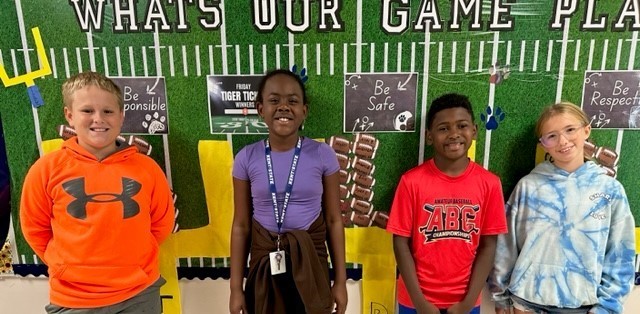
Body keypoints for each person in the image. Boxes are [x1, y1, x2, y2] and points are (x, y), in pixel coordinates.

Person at [20, 71, 175, 313]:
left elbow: (161, 223)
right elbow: (34, 228)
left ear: (122, 117)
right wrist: (65, 267)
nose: (98, 119)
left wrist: (134, 263)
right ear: (69, 116)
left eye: (108, 111)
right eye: (87, 111)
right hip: (74, 298)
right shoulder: (46, 170)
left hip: (140, 294)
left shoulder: (147, 169)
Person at [488, 102, 636, 314]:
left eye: (570, 130)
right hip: (526, 303)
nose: (563, 141)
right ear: (543, 144)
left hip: (583, 306)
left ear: (586, 130)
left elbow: (620, 254)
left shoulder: (610, 190)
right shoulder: (528, 187)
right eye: (552, 136)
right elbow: (506, 245)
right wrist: (500, 295)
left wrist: (608, 307)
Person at [229, 69, 348, 314]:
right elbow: (241, 225)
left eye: (292, 101)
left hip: (312, 260)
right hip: (264, 262)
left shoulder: (323, 154)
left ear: (304, 111)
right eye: (274, 100)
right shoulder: (245, 158)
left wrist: (341, 282)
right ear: (261, 109)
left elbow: (335, 220)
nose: (284, 107)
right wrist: (235, 289)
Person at [386, 93, 508, 314]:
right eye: (443, 128)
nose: (454, 134)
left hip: (465, 302)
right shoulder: (411, 182)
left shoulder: (490, 184)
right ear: (429, 136)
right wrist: (420, 303)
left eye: (462, 126)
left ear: (474, 131)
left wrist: (468, 302)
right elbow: (400, 243)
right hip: (415, 301)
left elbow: (489, 245)